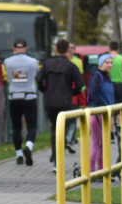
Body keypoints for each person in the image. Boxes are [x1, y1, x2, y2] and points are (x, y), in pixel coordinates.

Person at [36, 39, 85, 172]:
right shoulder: (71, 66)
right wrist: (72, 92)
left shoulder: (47, 64)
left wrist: (44, 90)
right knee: (63, 130)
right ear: (68, 50)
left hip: (50, 102)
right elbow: (81, 85)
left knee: (54, 129)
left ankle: (55, 157)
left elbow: (38, 79)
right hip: (65, 102)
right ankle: (58, 160)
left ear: (56, 49)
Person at [4, 37, 39, 166]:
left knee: (16, 127)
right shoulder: (32, 62)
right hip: (29, 96)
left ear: (14, 49)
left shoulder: (7, 62)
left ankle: (19, 154)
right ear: (26, 48)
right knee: (32, 126)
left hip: (14, 97)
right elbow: (35, 74)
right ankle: (28, 146)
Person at [87, 53, 115, 173]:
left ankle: (101, 170)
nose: (109, 65)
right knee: (96, 143)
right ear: (101, 64)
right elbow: (93, 94)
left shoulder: (108, 76)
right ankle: (91, 171)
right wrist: (103, 108)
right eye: (107, 62)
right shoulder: (97, 76)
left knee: (103, 144)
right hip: (98, 113)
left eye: (111, 62)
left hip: (106, 113)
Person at [108, 41, 122, 128]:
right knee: (120, 107)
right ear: (118, 49)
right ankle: (120, 126)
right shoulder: (121, 58)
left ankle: (111, 129)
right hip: (120, 84)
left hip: (110, 84)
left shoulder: (108, 59)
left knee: (111, 108)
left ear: (109, 48)